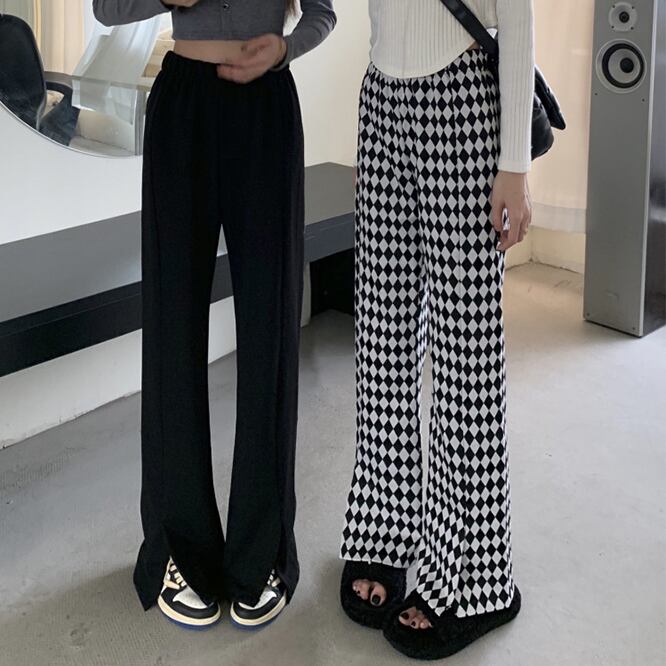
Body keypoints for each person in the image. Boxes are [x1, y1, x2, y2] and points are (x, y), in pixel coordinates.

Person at [92, 0, 336, 630]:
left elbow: (322, 12)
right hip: (183, 106)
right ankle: (178, 548)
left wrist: (286, 48)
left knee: (270, 329)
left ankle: (264, 551)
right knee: (171, 327)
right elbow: (106, 8)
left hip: (267, 106)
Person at [338, 0, 534, 658]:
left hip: (460, 96)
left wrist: (515, 164)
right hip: (381, 94)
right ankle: (385, 527)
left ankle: (480, 578)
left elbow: (519, 13)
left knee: (465, 354)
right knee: (381, 339)